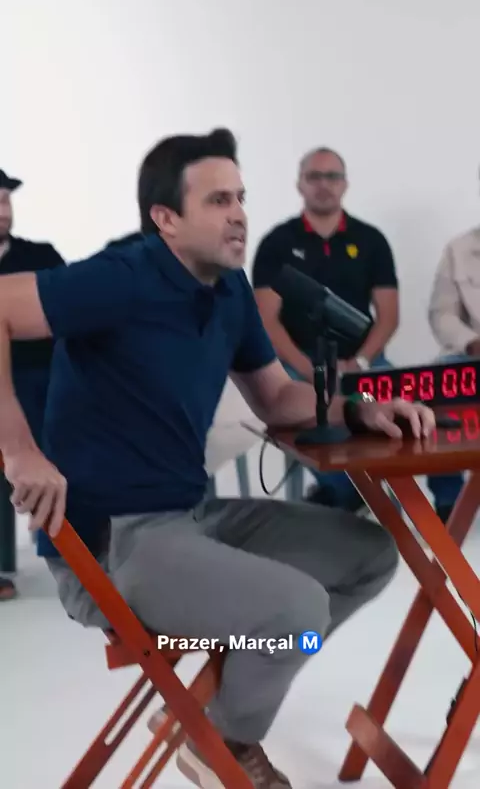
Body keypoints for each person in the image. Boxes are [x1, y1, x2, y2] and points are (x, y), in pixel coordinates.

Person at [0, 129, 435, 788]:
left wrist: (358, 407)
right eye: (218, 200)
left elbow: (277, 397)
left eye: (241, 197)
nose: (238, 214)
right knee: (296, 613)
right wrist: (19, 450)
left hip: (190, 516)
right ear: (166, 218)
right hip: (113, 545)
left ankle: (216, 714)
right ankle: (223, 742)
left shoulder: (230, 290)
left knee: (369, 556)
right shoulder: (121, 277)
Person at [252, 148, 399, 511]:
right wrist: (309, 369)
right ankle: (350, 494)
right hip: (297, 365)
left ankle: (377, 494)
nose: (324, 185)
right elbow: (266, 320)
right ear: (299, 185)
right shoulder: (277, 243)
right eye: (314, 177)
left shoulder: (371, 240)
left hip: (361, 365)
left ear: (344, 184)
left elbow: (388, 316)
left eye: (332, 176)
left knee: (393, 406)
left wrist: (360, 363)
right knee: (297, 409)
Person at [0, 169, 64, 600]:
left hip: (40, 382)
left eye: (5, 201)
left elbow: (69, 322)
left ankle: (69, 550)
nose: (2, 210)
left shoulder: (40, 256)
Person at [425, 228, 478, 520]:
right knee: (437, 381)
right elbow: (441, 313)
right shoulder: (458, 249)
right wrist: (472, 342)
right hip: (472, 356)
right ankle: (449, 500)